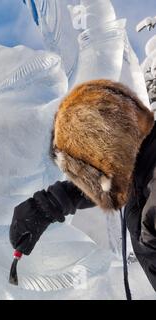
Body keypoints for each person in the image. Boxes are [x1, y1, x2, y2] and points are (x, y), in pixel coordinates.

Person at [9, 79, 156, 290]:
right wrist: (48, 205)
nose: (92, 182)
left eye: (88, 167)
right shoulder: (140, 162)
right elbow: (110, 181)